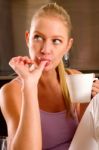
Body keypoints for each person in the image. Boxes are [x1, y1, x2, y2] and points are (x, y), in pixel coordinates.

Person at [0, 2, 99, 150]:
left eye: (56, 41)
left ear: (68, 46)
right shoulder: (11, 92)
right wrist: (30, 85)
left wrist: (94, 103)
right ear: (28, 38)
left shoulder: (76, 80)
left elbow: (87, 139)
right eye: (38, 37)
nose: (46, 50)